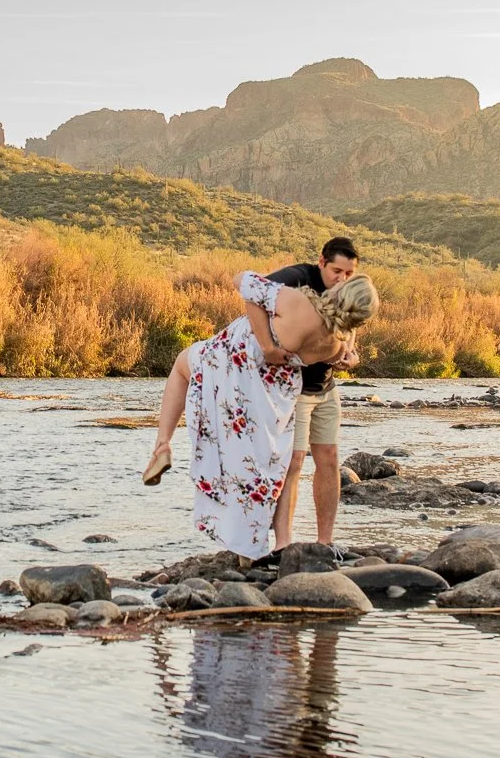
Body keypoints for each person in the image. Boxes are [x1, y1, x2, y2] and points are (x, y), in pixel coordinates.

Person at [141, 269, 378, 561]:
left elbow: (241, 280)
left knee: (181, 367)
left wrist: (266, 343)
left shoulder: (297, 303)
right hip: (272, 393)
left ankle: (162, 446)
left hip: (237, 365)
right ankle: (248, 546)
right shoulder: (335, 344)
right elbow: (337, 356)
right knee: (255, 466)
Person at [262, 237, 361, 550]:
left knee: (330, 459)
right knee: (293, 463)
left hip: (326, 387)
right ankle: (283, 544)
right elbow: (256, 293)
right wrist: (268, 347)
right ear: (322, 262)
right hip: (294, 389)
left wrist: (351, 358)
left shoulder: (350, 295)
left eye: (348, 273)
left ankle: (325, 541)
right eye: (336, 271)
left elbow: (350, 341)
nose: (341, 279)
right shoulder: (297, 277)